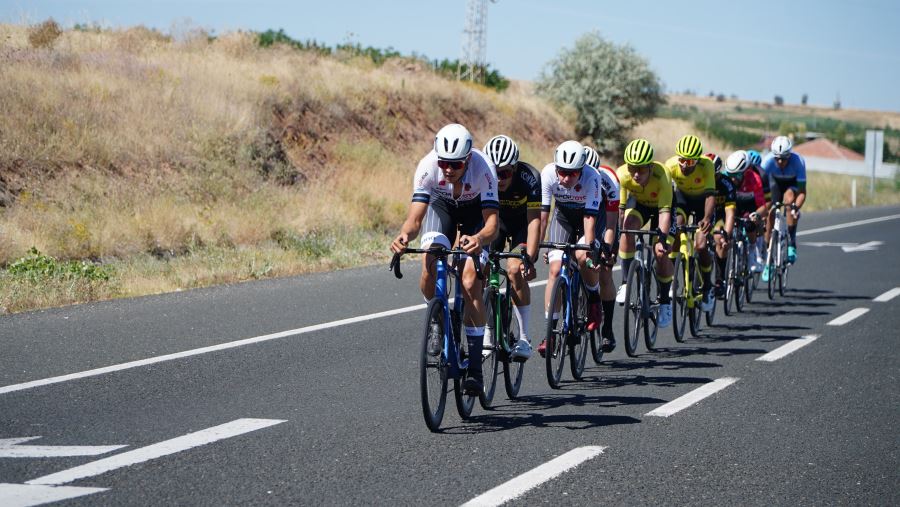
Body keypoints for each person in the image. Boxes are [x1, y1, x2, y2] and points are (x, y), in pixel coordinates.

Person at [390, 123, 499, 394]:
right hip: (443, 209)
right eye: (444, 163)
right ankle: (437, 318)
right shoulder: (428, 167)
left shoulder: (484, 169)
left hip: (476, 215)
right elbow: (415, 219)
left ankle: (474, 368)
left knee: (470, 277)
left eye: (456, 164)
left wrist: (479, 240)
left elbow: (492, 224)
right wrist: (404, 236)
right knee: (430, 262)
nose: (448, 169)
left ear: (468, 159)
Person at [537, 140, 608, 356]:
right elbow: (543, 214)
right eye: (562, 172)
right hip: (564, 217)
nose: (566, 179)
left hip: (588, 218)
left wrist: (588, 248)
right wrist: (539, 246)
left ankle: (594, 298)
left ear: (581, 170)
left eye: (572, 174)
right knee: (555, 270)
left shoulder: (592, 177)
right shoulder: (548, 174)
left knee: (580, 255)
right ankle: (550, 332)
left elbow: (589, 218)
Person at [483, 134, 541, 361]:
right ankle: (488, 332)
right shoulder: (481, 176)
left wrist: (531, 258)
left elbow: (535, 220)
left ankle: (524, 338)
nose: (499, 179)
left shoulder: (530, 178)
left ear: (515, 168)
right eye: (494, 173)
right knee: (481, 271)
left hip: (521, 226)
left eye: (505, 173)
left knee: (514, 269)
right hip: (495, 224)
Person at [615, 139, 675, 328]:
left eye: (641, 169)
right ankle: (625, 282)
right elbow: (620, 209)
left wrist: (662, 240)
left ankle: (665, 300)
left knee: (660, 252)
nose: (636, 174)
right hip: (640, 205)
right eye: (632, 168)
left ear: (650, 166)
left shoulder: (662, 174)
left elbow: (665, 213)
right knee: (627, 227)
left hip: (661, 209)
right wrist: (618, 235)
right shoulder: (623, 175)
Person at [664, 135, 718, 311]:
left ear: (697, 160)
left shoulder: (706, 165)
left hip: (703, 203)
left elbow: (711, 195)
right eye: (682, 160)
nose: (685, 165)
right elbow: (666, 195)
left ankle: (708, 285)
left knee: (701, 245)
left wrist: (707, 219)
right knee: (677, 229)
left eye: (690, 162)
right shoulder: (670, 165)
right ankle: (673, 279)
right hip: (683, 200)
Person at [583, 144, 621, 351]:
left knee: (605, 270)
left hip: (606, 220)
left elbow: (612, 223)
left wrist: (606, 249)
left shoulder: (608, 181)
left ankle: (607, 330)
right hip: (583, 216)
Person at [761, 136, 806, 281]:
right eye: (777, 158)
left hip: (791, 186)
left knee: (790, 199)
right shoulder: (767, 162)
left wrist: (795, 208)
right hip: (774, 184)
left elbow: (802, 192)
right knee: (770, 212)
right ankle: (768, 257)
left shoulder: (798, 162)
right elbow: (760, 191)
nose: (780, 161)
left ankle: (791, 242)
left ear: (790, 155)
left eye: (784, 158)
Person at [723, 150, 766, 273]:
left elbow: (763, 206)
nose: (733, 179)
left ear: (745, 172)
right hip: (733, 204)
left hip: (749, 205)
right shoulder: (726, 178)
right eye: (730, 174)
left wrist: (756, 215)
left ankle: (752, 250)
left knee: (750, 223)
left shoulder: (755, 179)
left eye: (736, 175)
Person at [707, 152, 737, 298]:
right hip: (705, 213)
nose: (710, 179)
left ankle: (720, 279)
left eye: (713, 175)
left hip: (720, 215)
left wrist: (727, 234)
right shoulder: (700, 180)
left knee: (720, 239)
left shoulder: (726, 183)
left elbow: (730, 212)